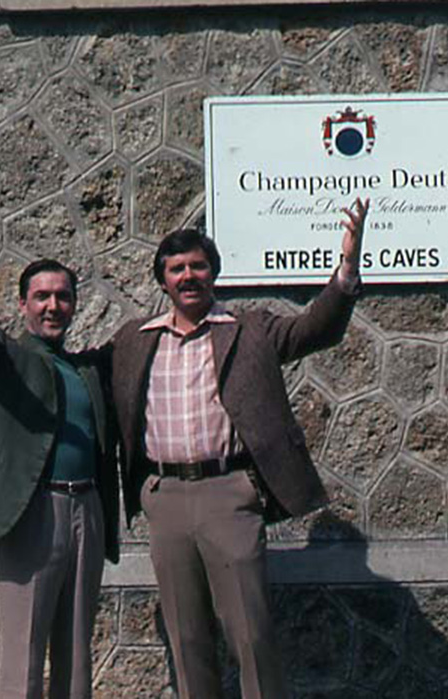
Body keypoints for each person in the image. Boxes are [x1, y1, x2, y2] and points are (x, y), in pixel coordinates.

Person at [110, 197, 370, 699]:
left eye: (198, 266)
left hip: (229, 493)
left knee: (250, 634)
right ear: (162, 279)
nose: (188, 276)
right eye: (176, 269)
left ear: (215, 273)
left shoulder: (251, 329)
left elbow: (317, 327)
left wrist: (347, 268)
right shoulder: (133, 340)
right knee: (186, 640)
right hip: (164, 498)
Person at [0, 198, 119, 699]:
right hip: (31, 515)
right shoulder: (8, 359)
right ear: (23, 305)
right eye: (40, 297)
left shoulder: (87, 369)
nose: (52, 305)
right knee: (24, 659)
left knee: (77, 658)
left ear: (74, 305)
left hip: (88, 512)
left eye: (62, 297)